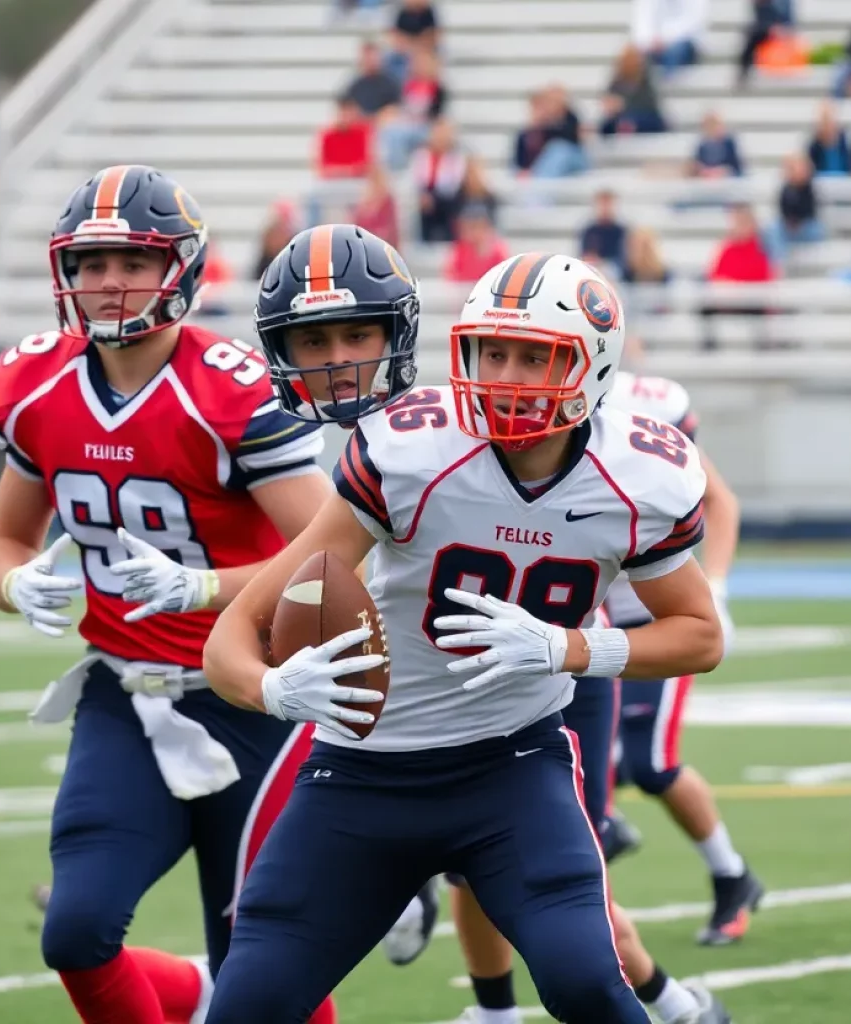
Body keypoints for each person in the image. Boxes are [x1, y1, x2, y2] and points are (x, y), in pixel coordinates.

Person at [202, 242, 725, 1023]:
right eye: (491, 352)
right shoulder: (410, 451)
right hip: (359, 777)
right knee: (249, 1004)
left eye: (533, 357)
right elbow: (234, 635)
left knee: (587, 982)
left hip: (510, 768)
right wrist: (274, 688)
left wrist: (566, 648)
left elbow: (698, 636)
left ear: (592, 368)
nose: (506, 377)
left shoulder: (638, 474)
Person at [0, 165, 338, 1024]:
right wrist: (11, 581)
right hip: (122, 696)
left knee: (261, 958)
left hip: (253, 696)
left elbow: (332, 558)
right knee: (76, 930)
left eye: (133, 262)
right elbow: (3, 538)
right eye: (92, 262)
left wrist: (204, 586)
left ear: (180, 268)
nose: (108, 283)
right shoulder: (33, 381)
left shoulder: (234, 389)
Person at [594, 369, 764, 945]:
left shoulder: (646, 411)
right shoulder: (537, 410)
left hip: (653, 614)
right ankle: (599, 834)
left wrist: (714, 587)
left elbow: (719, 497)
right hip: (584, 618)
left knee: (650, 762)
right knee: (579, 757)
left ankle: (730, 876)